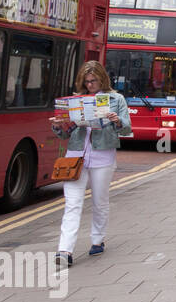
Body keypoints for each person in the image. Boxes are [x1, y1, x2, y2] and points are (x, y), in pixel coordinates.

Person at [49, 61, 133, 267]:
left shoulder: (116, 99)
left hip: (102, 156)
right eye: (86, 82)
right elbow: (64, 134)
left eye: (93, 81)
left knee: (99, 202)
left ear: (102, 78)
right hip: (75, 157)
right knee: (72, 204)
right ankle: (64, 250)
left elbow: (127, 128)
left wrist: (117, 121)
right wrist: (58, 126)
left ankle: (97, 239)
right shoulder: (76, 99)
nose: (90, 85)